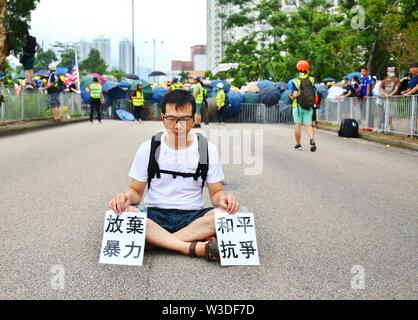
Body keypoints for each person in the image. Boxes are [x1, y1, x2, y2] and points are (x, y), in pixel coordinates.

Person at [109, 90, 239, 262]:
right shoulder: (148, 148)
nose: (178, 126)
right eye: (171, 119)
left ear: (194, 118)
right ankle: (191, 247)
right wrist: (124, 198)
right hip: (154, 214)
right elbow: (135, 192)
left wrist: (225, 200)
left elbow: (216, 194)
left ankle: (156, 241)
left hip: (192, 216)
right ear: (162, 118)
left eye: (185, 119)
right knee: (120, 213)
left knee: (228, 215)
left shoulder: (206, 149)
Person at [290, 60, 317, 152]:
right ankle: (312, 138)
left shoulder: (295, 81)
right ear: (307, 70)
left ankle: (298, 144)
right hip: (308, 105)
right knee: (308, 125)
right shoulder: (312, 79)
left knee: (297, 125)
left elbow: (295, 94)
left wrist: (292, 97)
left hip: (297, 106)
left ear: (298, 69)